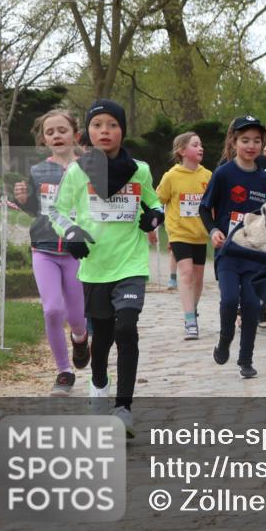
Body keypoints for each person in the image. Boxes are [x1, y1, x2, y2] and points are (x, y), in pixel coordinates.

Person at [49, 99, 163, 438]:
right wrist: (70, 232)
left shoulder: (139, 169)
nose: (105, 131)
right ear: (89, 133)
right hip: (95, 268)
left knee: (126, 327)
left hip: (130, 264)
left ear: (122, 131)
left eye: (112, 125)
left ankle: (124, 408)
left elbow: (154, 201)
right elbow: (56, 211)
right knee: (102, 340)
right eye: (98, 125)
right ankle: (99, 384)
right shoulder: (77, 171)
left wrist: (154, 216)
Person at [13, 109, 89, 396]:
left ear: (75, 135)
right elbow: (35, 211)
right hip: (43, 249)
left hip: (76, 252)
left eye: (62, 130)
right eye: (50, 132)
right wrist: (23, 200)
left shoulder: (88, 168)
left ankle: (80, 339)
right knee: (52, 309)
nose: (56, 135)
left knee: (77, 316)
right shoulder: (37, 171)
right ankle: (64, 371)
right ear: (44, 140)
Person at [200, 115, 266, 379]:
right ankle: (225, 338)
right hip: (228, 253)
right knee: (230, 300)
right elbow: (204, 208)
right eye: (245, 140)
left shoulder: (265, 180)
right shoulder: (223, 173)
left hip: (254, 253)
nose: (251, 145)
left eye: (256, 140)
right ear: (234, 142)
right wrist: (214, 230)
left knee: (252, 305)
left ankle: (246, 360)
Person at [155, 132, 212, 340]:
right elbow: (159, 198)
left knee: (197, 278)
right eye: (195, 145)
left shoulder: (208, 176)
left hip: (199, 233)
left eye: (201, 145)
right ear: (182, 151)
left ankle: (193, 311)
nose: (201, 148)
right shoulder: (171, 176)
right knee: (186, 273)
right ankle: (189, 320)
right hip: (179, 233)